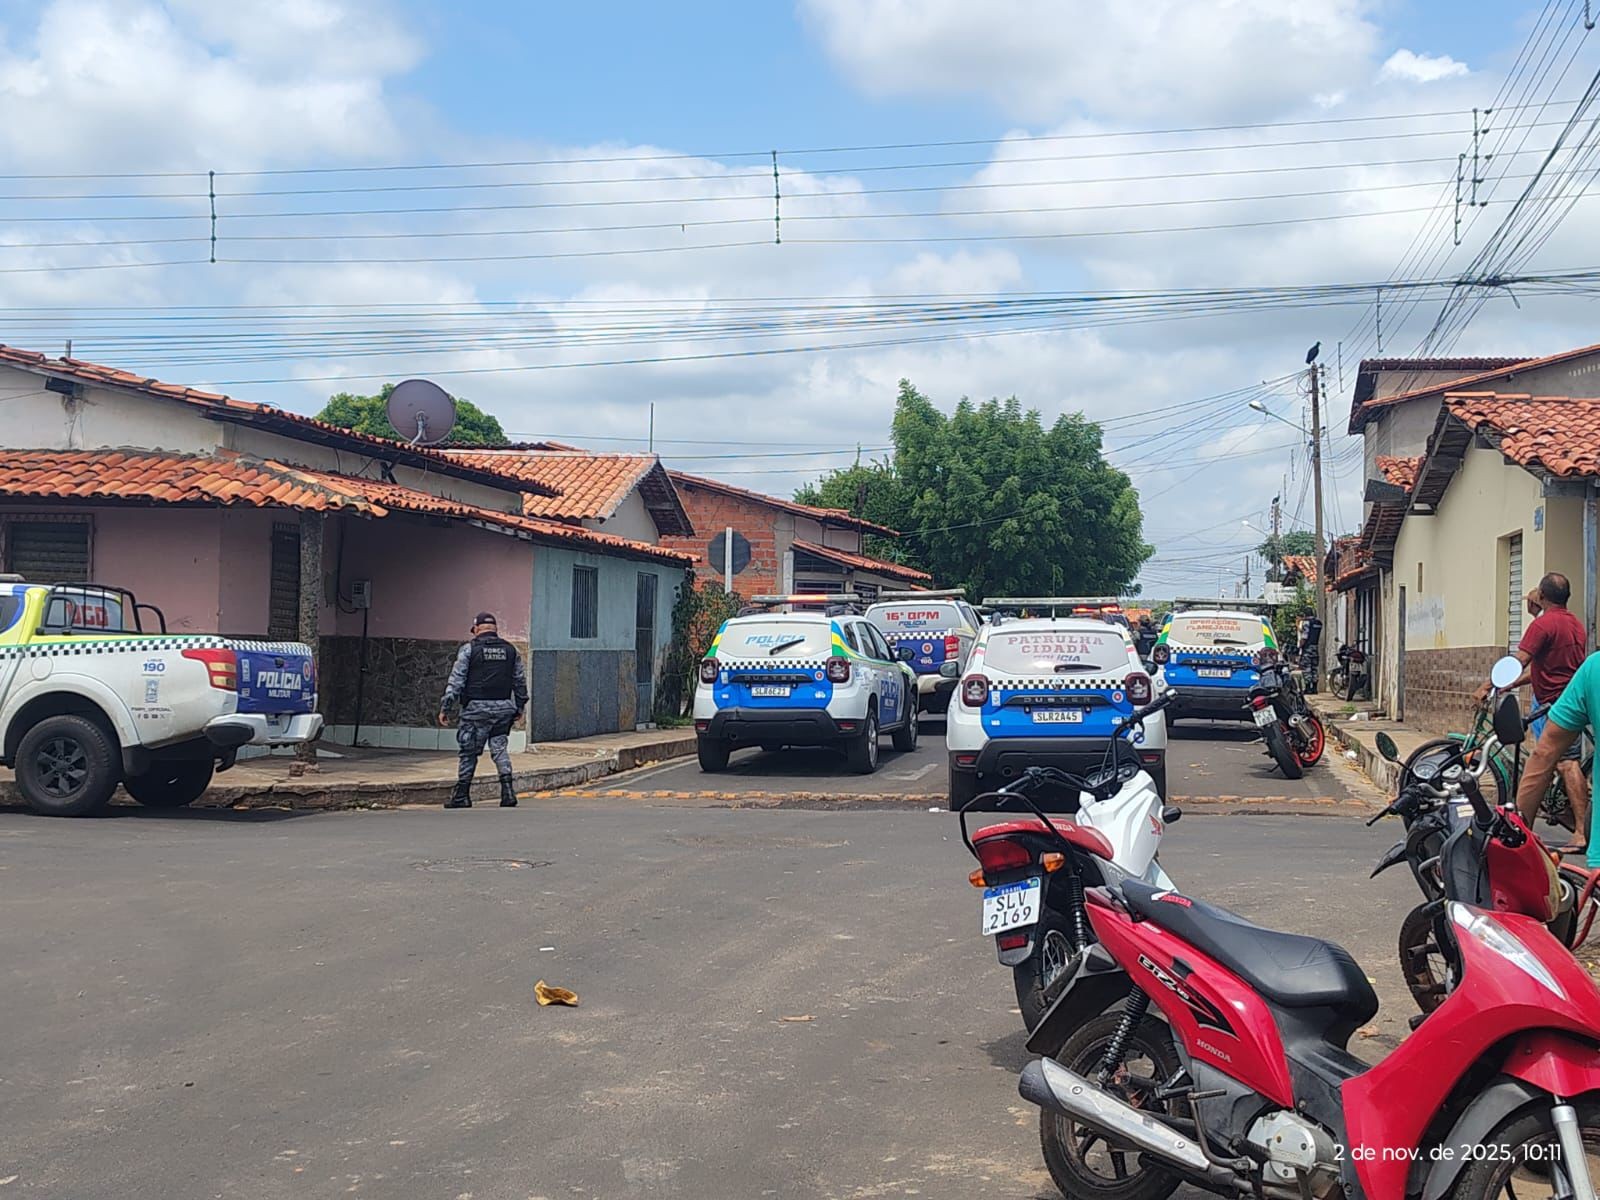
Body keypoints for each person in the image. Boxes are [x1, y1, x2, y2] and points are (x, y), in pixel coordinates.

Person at [1498, 573, 1590, 855]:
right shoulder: (1575, 624)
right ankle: (1531, 826)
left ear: (1542, 596)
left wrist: (1492, 682)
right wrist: (1516, 683)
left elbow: (1521, 659)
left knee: (1563, 762)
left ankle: (1579, 833)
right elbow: (1549, 666)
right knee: (1552, 762)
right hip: (1564, 699)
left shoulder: (1543, 625)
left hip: (1556, 706)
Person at [438, 612, 528, 809]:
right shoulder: (510, 650)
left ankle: (462, 795)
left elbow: (457, 681)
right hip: (504, 708)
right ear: (495, 629)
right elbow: (520, 681)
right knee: (499, 748)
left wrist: (446, 707)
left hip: (475, 710)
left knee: (468, 751)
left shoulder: (469, 650)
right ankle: (508, 793)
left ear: (477, 629)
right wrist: (520, 706)